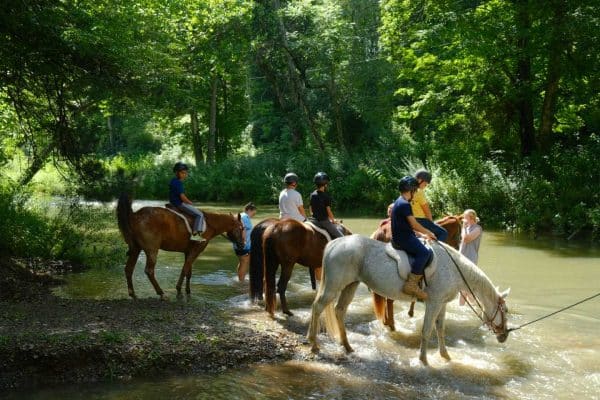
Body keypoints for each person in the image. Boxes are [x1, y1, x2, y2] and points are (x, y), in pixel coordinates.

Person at [391, 176, 436, 300]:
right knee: (424, 253)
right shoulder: (405, 204)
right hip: (403, 238)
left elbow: (406, 225)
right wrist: (428, 232)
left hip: (402, 235)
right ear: (410, 190)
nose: (415, 193)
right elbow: (414, 224)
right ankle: (411, 285)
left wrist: (421, 234)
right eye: (414, 191)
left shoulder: (399, 201)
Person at [169, 162, 206, 242]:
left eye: (185, 173)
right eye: (182, 173)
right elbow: (182, 197)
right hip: (179, 204)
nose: (184, 175)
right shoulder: (178, 183)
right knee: (200, 214)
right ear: (177, 173)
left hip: (173, 203)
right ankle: (195, 235)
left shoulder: (173, 180)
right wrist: (190, 203)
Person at [411, 169, 448, 242]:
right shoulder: (419, 192)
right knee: (443, 233)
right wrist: (432, 223)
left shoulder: (408, 190)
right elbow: (427, 211)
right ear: (420, 180)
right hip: (420, 220)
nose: (425, 186)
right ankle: (435, 251)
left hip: (409, 219)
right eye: (425, 184)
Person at [458, 209, 483, 305]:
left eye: (465, 217)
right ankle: (475, 304)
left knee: (464, 286)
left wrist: (463, 228)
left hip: (470, 260)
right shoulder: (466, 228)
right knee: (466, 286)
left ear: (471, 218)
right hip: (462, 258)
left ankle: (462, 307)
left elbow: (466, 239)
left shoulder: (477, 229)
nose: (463, 219)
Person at [309, 172, 343, 239]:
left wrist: (314, 215)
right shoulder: (326, 196)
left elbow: (311, 209)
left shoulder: (312, 195)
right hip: (324, 221)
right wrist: (333, 220)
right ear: (325, 184)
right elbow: (329, 211)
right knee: (341, 237)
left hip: (313, 220)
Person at [233, 202, 257, 282]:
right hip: (244, 245)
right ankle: (241, 282)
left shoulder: (239, 216)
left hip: (237, 245)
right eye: (253, 213)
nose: (253, 215)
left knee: (242, 262)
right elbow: (243, 230)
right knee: (244, 263)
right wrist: (244, 242)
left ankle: (240, 279)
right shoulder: (245, 217)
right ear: (249, 210)